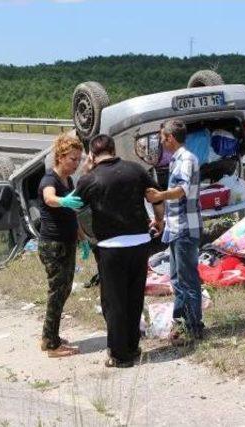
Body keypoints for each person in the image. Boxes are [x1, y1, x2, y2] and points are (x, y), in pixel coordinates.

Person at [75, 134, 164, 368]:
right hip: (139, 242)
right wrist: (159, 221)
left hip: (111, 247)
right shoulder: (135, 170)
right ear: (114, 149)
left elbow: (74, 206)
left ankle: (119, 355)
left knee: (114, 301)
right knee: (134, 296)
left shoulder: (90, 179)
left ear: (92, 155)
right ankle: (133, 347)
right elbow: (155, 197)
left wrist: (85, 172)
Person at [145, 119, 204, 345]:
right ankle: (181, 323)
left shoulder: (186, 159)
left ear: (170, 138)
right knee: (177, 278)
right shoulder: (175, 161)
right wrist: (161, 222)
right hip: (176, 226)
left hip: (185, 229)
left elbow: (181, 191)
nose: (161, 141)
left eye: (162, 137)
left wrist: (159, 196)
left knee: (188, 279)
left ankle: (194, 326)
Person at [38, 133, 89, 358]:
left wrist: (81, 235)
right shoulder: (50, 180)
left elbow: (71, 213)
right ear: (60, 157)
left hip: (67, 242)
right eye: (72, 159)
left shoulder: (68, 181)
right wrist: (62, 200)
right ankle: (51, 345)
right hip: (53, 245)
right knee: (57, 293)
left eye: (78, 159)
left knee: (64, 290)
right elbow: (49, 198)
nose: (75, 164)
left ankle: (50, 336)